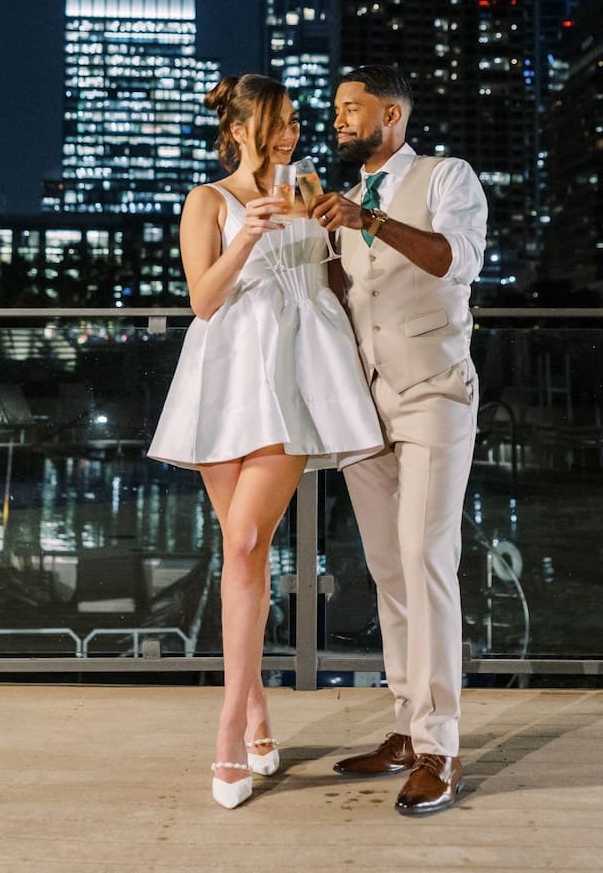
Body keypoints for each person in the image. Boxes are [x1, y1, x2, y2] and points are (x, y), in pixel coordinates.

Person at [148, 73, 383, 810]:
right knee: (239, 552)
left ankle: (225, 733)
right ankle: (255, 713)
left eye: (294, 122)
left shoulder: (310, 186)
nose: (291, 135)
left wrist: (344, 230)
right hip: (224, 383)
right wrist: (247, 231)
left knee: (248, 542)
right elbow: (204, 299)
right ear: (241, 128)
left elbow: (340, 282)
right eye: (277, 124)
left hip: (295, 383)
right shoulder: (207, 201)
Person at [308, 65, 489, 817]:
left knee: (425, 559)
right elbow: (343, 293)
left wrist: (366, 221)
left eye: (352, 109)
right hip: (365, 406)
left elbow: (459, 261)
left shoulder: (449, 176)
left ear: (391, 113)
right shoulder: (338, 205)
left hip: (435, 394)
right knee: (387, 568)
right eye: (337, 110)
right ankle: (408, 729)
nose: (340, 120)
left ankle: (441, 748)